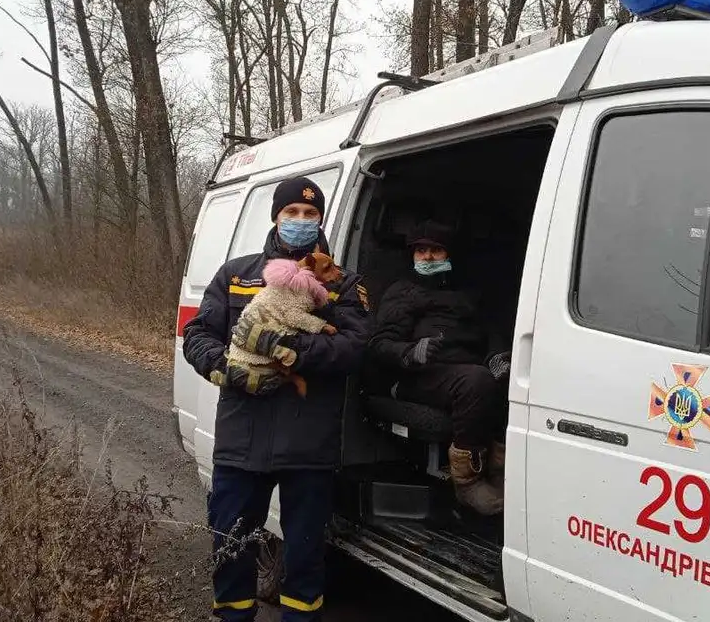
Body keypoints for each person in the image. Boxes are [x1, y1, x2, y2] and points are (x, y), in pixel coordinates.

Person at [182, 176, 370, 621]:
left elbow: (354, 346)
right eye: (292, 213)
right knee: (230, 546)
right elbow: (198, 334)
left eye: (310, 214)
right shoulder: (236, 273)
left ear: (322, 220)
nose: (301, 221)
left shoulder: (341, 282)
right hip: (241, 440)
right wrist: (225, 368)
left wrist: (289, 350)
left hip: (308, 444)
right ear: (276, 217)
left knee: (303, 559)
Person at [366, 220, 512, 516]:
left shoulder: (469, 293)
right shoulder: (404, 292)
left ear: (449, 255)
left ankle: (500, 472)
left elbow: (490, 330)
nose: (428, 257)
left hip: (464, 370)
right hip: (415, 375)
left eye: (436, 250)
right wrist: (409, 351)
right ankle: (467, 482)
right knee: (476, 381)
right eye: (421, 251)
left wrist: (499, 356)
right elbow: (379, 344)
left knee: (510, 380)